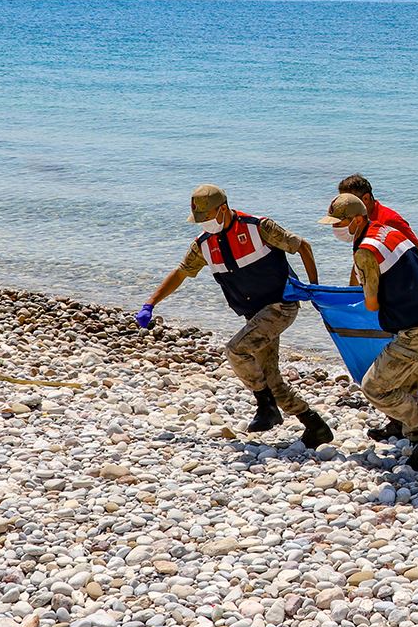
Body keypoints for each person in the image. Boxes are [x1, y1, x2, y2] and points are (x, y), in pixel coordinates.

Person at [136, 184, 333, 446]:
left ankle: (265, 407)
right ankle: (314, 425)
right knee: (271, 380)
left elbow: (303, 247)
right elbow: (181, 273)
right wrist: (150, 303)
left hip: (281, 305)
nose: (204, 224)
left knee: (236, 350)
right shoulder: (203, 245)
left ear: (223, 209)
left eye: (207, 218)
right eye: (200, 220)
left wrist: (313, 288)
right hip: (253, 315)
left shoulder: (258, 227)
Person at [319, 193, 418, 471]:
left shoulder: (365, 250)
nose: (335, 230)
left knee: (375, 387)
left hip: (415, 329)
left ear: (357, 220)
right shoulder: (387, 231)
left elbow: (371, 303)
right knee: (409, 386)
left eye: (339, 223)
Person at [337, 174, 418, 281]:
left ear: (366, 198)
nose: (344, 208)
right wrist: (352, 294)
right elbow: (359, 265)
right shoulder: (358, 221)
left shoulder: (390, 219)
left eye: (348, 203)